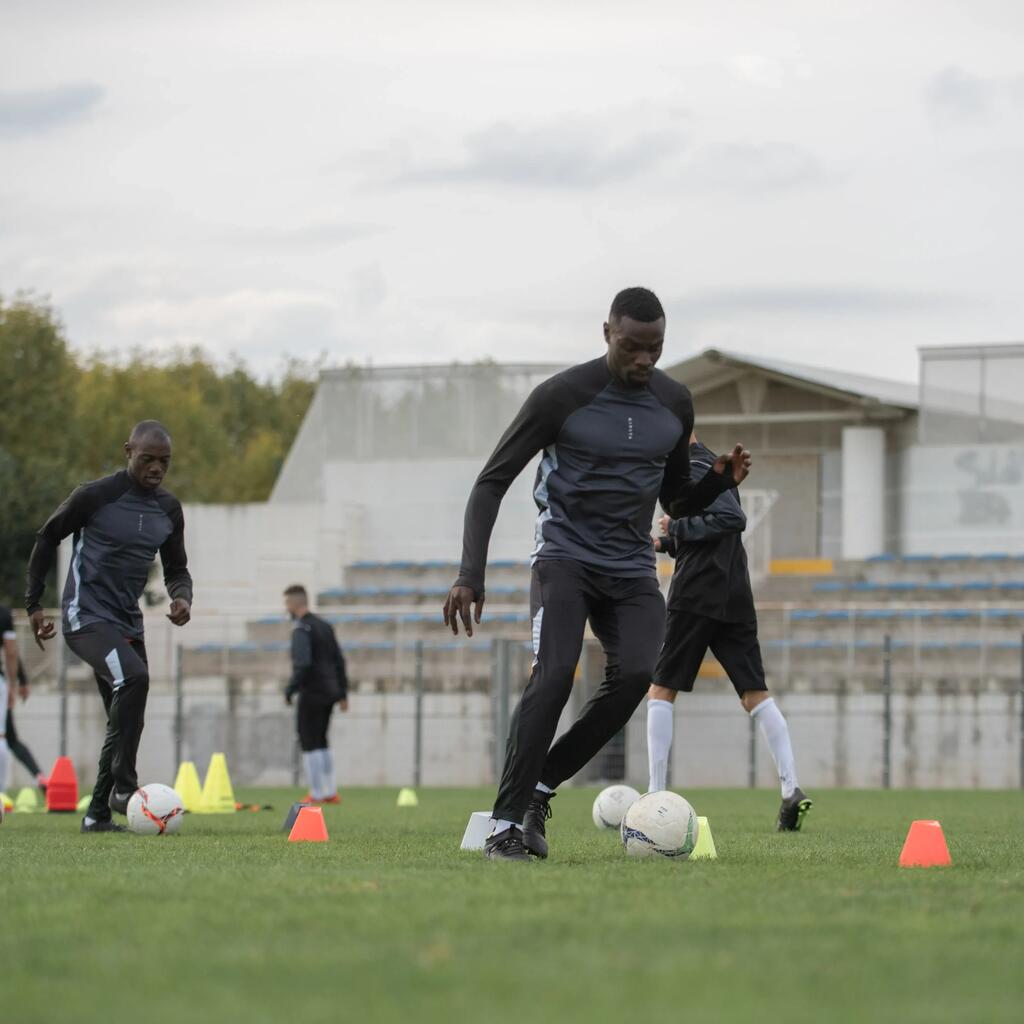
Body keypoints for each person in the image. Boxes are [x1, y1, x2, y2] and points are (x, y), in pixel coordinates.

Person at [443, 286, 751, 860]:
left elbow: (677, 500)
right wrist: (470, 574)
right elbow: (492, 481)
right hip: (563, 559)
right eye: (632, 346)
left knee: (636, 676)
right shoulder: (562, 396)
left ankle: (539, 788)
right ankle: (506, 824)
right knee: (555, 675)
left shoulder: (675, 403)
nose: (643, 360)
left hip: (631, 567)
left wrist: (718, 483)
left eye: (654, 349)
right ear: (606, 333)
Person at [25, 420, 193, 833]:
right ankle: (124, 788)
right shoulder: (95, 496)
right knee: (134, 679)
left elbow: (177, 568)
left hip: (127, 621)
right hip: (86, 616)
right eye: (148, 459)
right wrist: (34, 604)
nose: (156, 468)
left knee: (124, 712)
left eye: (164, 462)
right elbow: (47, 537)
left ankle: (97, 813)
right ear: (128, 451)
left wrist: (182, 597)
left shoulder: (168, 509)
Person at [648, 433, 812, 831]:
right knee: (754, 694)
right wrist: (667, 541)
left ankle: (653, 798)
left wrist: (679, 527)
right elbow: (711, 530)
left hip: (697, 592)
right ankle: (791, 790)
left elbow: (732, 520)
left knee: (660, 690)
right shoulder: (695, 467)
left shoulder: (694, 466)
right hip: (732, 592)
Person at [283, 584, 349, 804]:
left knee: (309, 741)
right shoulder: (325, 626)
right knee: (322, 740)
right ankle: (330, 791)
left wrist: (291, 688)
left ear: (294, 603)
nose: (286, 608)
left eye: (286, 603)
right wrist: (343, 693)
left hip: (311, 692)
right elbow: (339, 660)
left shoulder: (301, 629)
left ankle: (317, 792)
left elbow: (303, 663)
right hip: (330, 692)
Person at [1, 613, 48, 790]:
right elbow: (11, 652)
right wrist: (16, 683)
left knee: (8, 738)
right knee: (7, 738)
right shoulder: (3, 614)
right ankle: (39, 777)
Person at [0, 602, 19, 792]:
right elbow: (11, 651)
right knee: (0, 737)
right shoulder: (4, 613)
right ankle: (0, 795)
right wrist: (12, 684)